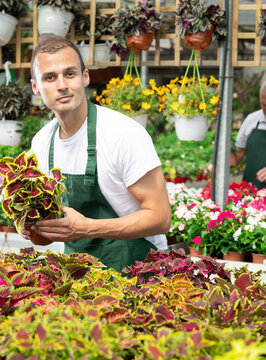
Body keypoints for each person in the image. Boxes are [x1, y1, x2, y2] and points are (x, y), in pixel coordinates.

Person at [25, 35, 171, 272]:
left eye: (69, 74)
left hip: (141, 272)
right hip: (81, 275)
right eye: (50, 77)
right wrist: (37, 229)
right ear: (35, 87)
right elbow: (55, 224)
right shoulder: (42, 142)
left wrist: (86, 228)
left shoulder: (123, 134)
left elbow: (160, 217)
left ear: (85, 77)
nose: (62, 85)